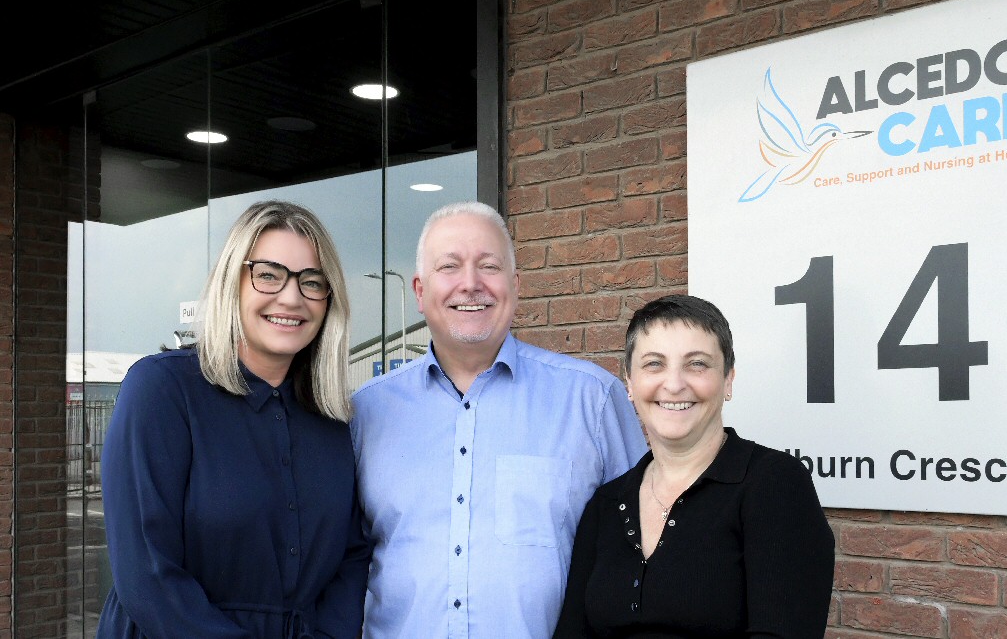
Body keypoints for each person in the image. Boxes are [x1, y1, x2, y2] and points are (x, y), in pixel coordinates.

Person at [350, 201, 648, 638]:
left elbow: (642, 551)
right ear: (418, 290)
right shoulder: (366, 413)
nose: (470, 285)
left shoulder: (592, 401)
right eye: (449, 267)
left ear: (515, 284)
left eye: (488, 266)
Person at [98, 200, 371, 638]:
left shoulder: (331, 418)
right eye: (268, 274)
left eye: (312, 282)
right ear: (232, 282)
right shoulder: (161, 391)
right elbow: (147, 571)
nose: (291, 297)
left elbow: (352, 557)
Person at [553, 294, 835, 638]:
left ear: (728, 380)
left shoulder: (774, 484)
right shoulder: (607, 503)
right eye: (654, 364)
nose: (673, 384)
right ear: (629, 382)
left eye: (697, 364)